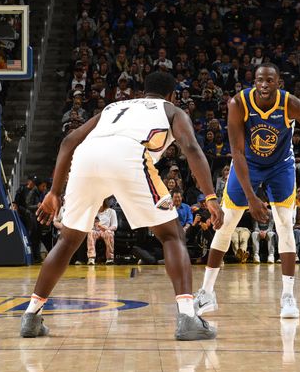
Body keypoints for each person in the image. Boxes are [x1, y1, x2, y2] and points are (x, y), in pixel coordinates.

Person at [21, 72, 223, 341]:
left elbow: (69, 141)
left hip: (86, 158)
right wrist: (210, 196)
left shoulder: (113, 106)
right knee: (172, 234)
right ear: (172, 95)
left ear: (143, 92)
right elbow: (192, 148)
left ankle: (31, 316)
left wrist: (55, 192)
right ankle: (187, 317)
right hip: (128, 155)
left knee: (68, 240)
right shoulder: (171, 110)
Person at [195, 64, 300, 319]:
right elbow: (236, 151)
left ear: (278, 83)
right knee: (226, 224)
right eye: (259, 80)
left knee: (284, 225)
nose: (264, 84)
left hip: (280, 166)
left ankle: (288, 296)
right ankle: (206, 292)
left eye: (270, 80)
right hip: (247, 163)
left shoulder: (291, 104)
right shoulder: (238, 103)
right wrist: (251, 197)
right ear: (254, 82)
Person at [86, 199, 117, 265]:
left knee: (109, 233)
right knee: (91, 232)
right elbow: (88, 224)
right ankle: (91, 258)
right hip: (95, 230)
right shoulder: (93, 212)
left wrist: (107, 228)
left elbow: (114, 226)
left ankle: (110, 258)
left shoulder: (111, 211)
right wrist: (94, 225)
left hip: (106, 230)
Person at [251, 196, 276, 263]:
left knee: (271, 234)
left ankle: (271, 255)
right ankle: (256, 255)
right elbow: (255, 226)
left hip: (268, 231)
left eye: (263, 203)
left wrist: (265, 232)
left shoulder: (271, 212)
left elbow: (271, 225)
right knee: (254, 234)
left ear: (267, 204)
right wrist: (259, 231)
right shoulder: (256, 212)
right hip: (259, 231)